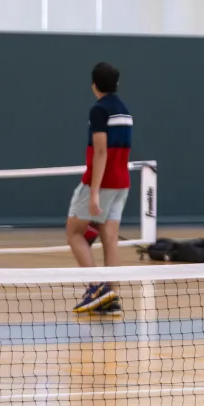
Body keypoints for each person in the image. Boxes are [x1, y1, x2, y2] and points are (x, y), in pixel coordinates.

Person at [67, 62, 133, 314]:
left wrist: (94, 191)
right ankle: (111, 296)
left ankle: (95, 288)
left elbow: (101, 151)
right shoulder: (125, 112)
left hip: (102, 182)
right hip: (121, 183)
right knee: (110, 239)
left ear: (94, 85)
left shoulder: (99, 110)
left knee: (74, 233)